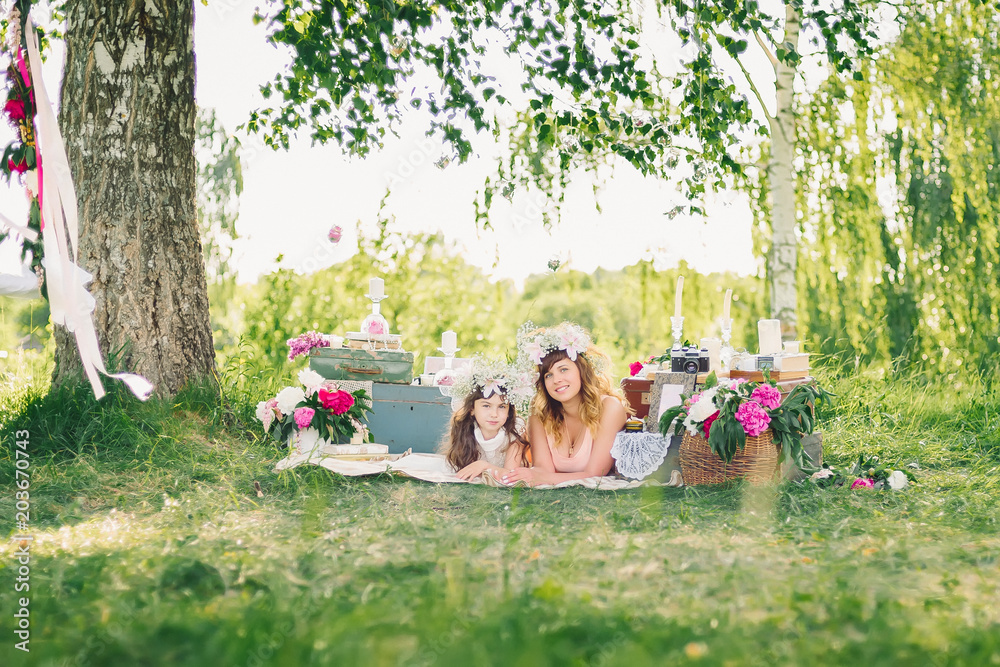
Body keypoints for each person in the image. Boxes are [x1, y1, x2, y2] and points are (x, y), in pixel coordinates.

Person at [502, 322, 629, 487]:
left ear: (581, 370)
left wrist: (539, 477)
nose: (556, 380)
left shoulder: (609, 408)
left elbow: (596, 474)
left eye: (563, 369)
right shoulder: (540, 414)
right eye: (548, 375)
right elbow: (542, 471)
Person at [441, 357, 534, 481]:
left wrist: (483, 466)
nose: (494, 414)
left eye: (501, 406)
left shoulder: (515, 430)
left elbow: (510, 475)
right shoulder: (465, 427)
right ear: (472, 409)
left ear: (509, 411)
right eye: (486, 405)